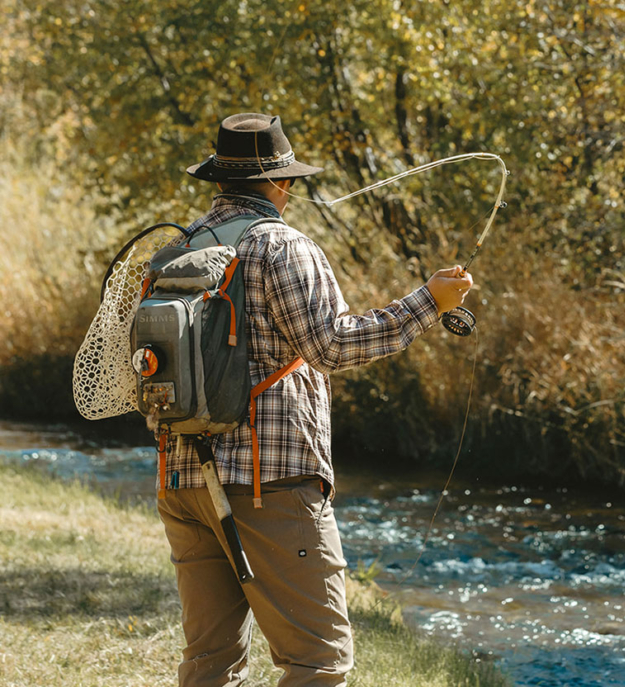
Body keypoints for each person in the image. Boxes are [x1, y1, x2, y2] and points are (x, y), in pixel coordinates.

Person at [157, 112, 473, 686]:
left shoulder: (180, 246)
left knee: (209, 664)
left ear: (220, 181)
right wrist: (430, 301)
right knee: (318, 663)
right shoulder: (283, 246)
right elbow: (332, 345)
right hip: (268, 484)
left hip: (182, 480)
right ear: (280, 183)